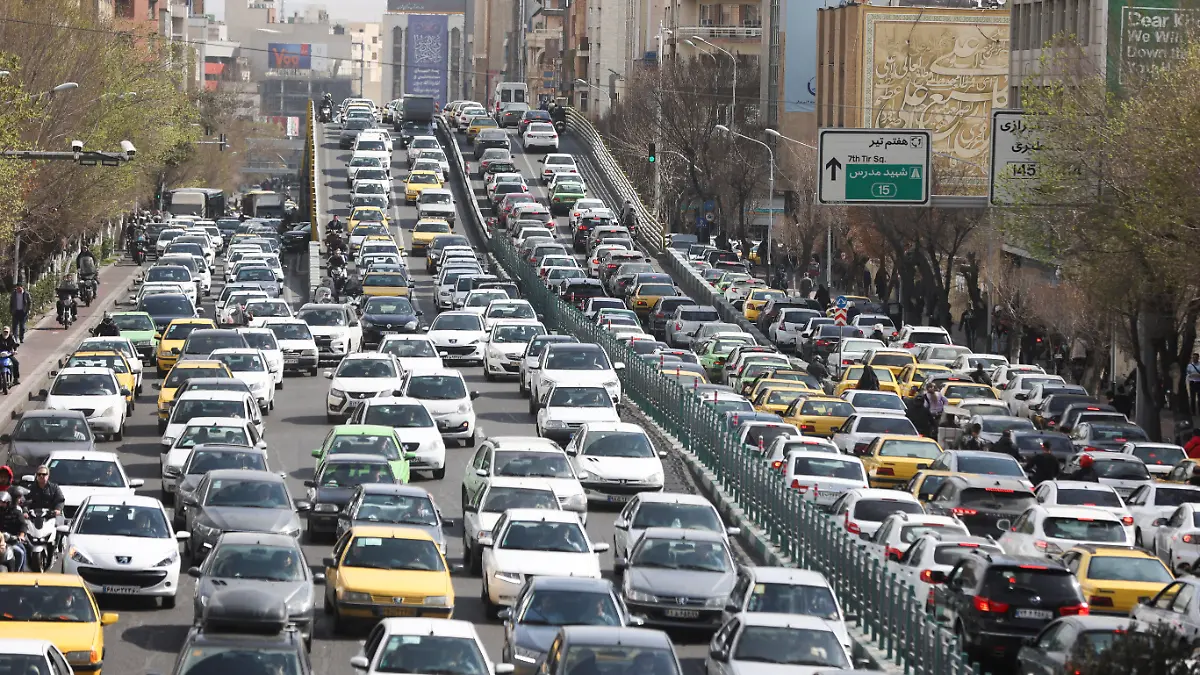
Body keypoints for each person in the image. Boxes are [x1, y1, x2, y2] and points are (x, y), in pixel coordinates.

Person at [0, 492, 26, 572]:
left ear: (8, 503)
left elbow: (23, 525)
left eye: (3, 503)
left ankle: (19, 573)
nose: (1, 504)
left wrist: (21, 536)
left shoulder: (17, 513)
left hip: (12, 540)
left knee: (21, 552)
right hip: (0, 540)